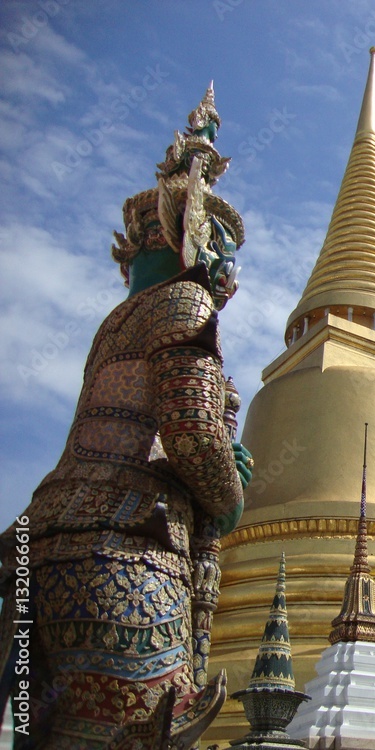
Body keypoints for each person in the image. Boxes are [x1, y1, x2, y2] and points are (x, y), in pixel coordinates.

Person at [0, 84, 251, 747]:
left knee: (54, 732)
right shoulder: (184, 306)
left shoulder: (115, 326)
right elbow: (193, 434)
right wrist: (230, 497)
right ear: (193, 239)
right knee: (132, 735)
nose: (228, 277)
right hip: (127, 551)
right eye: (223, 254)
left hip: (42, 547)